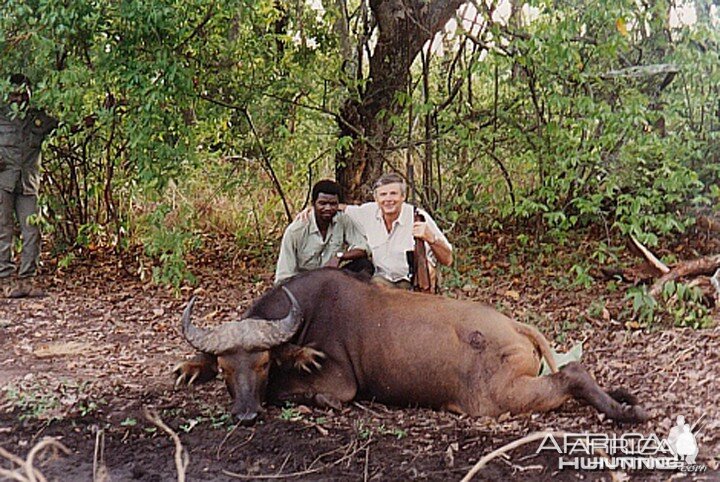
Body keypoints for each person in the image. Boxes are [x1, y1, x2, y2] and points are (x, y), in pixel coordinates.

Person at [0, 74, 57, 298]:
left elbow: (68, 126)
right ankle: (4, 280)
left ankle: (27, 279)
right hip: (3, 183)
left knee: (32, 231)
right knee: (3, 231)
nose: (19, 98)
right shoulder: (2, 117)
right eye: (15, 93)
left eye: (24, 93)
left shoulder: (38, 119)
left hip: (28, 184)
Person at [344, 172, 452, 290]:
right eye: (383, 194)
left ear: (403, 196)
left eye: (393, 194)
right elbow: (340, 208)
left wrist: (432, 238)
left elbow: (448, 259)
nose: (388, 199)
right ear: (376, 198)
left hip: (413, 283)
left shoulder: (419, 216)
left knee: (429, 271)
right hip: (382, 280)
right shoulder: (367, 212)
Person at [275, 180, 369, 284]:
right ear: (313, 204)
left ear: (339, 204)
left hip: (332, 279)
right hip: (305, 285)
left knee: (364, 265)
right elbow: (284, 277)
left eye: (333, 204)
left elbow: (362, 248)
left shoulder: (342, 220)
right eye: (322, 203)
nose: (328, 208)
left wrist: (339, 256)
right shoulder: (296, 231)